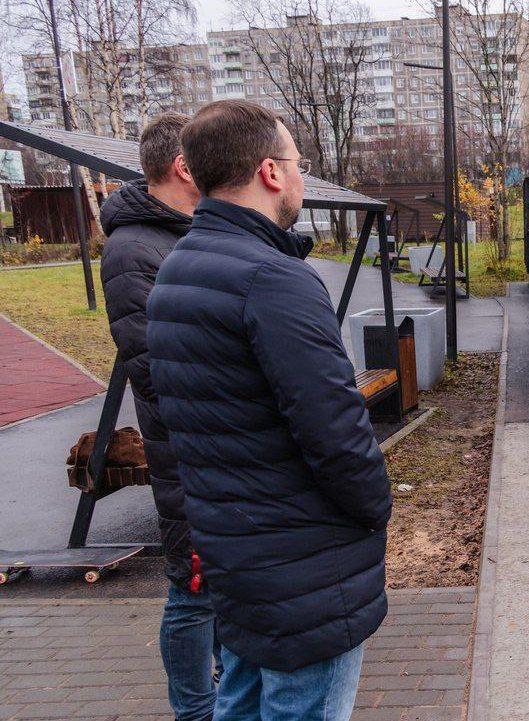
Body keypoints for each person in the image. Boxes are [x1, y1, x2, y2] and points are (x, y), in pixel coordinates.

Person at [147, 99, 391, 721]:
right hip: (303, 569)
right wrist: (375, 507)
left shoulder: (177, 270)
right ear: (270, 172)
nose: (301, 176)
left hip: (238, 555)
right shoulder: (274, 280)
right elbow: (336, 432)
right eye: (296, 162)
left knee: (242, 704)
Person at [99, 111, 219, 721]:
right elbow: (153, 364)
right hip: (185, 452)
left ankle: (221, 696)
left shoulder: (182, 232)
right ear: (182, 167)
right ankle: (195, 710)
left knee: (217, 583)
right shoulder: (132, 250)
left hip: (213, 449)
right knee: (192, 588)